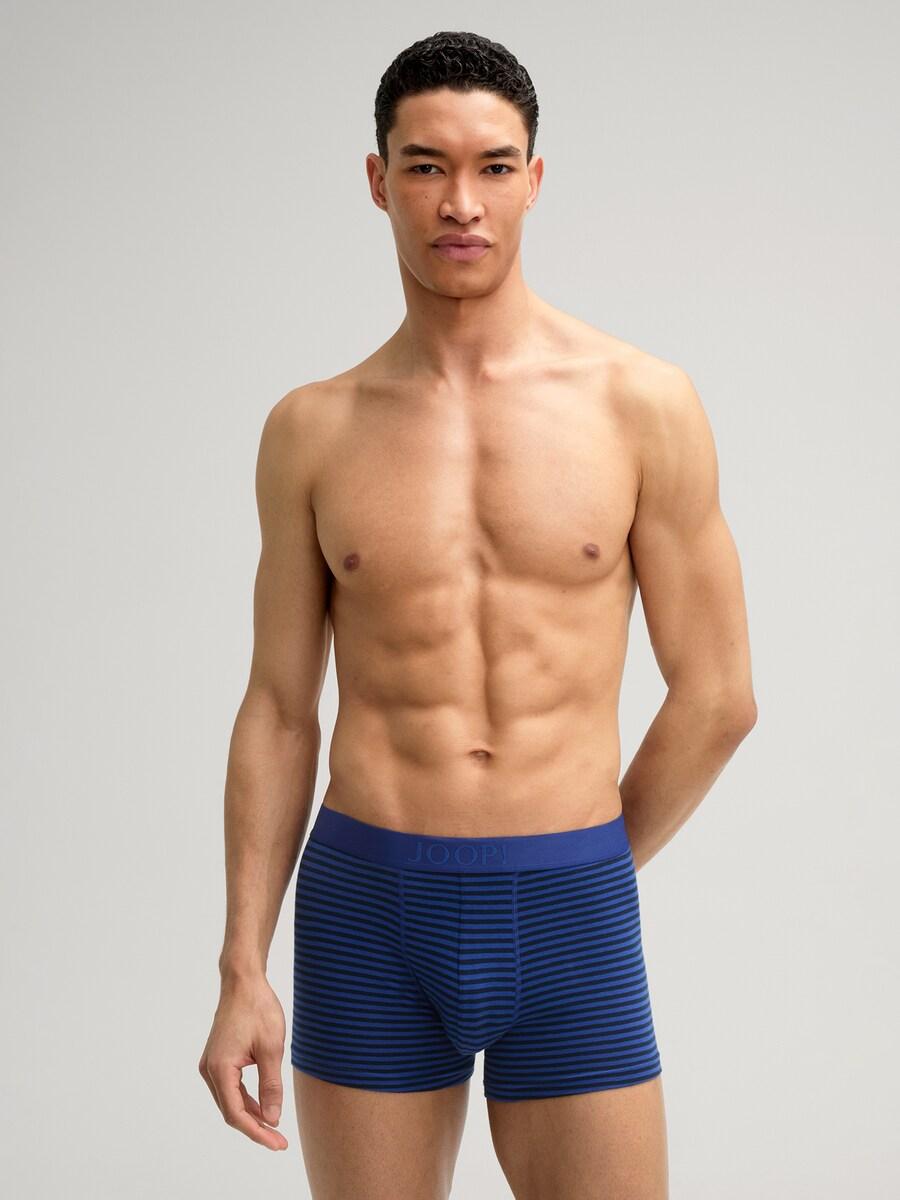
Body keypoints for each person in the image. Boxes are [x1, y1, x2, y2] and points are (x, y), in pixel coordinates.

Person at [198, 29, 757, 1200]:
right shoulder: (312, 429)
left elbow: (718, 695)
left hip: (572, 905)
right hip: (366, 908)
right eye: (426, 166)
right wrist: (243, 964)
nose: (462, 202)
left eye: (494, 166)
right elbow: (280, 709)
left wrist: (586, 867)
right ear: (378, 179)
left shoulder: (641, 405)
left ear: (534, 179)